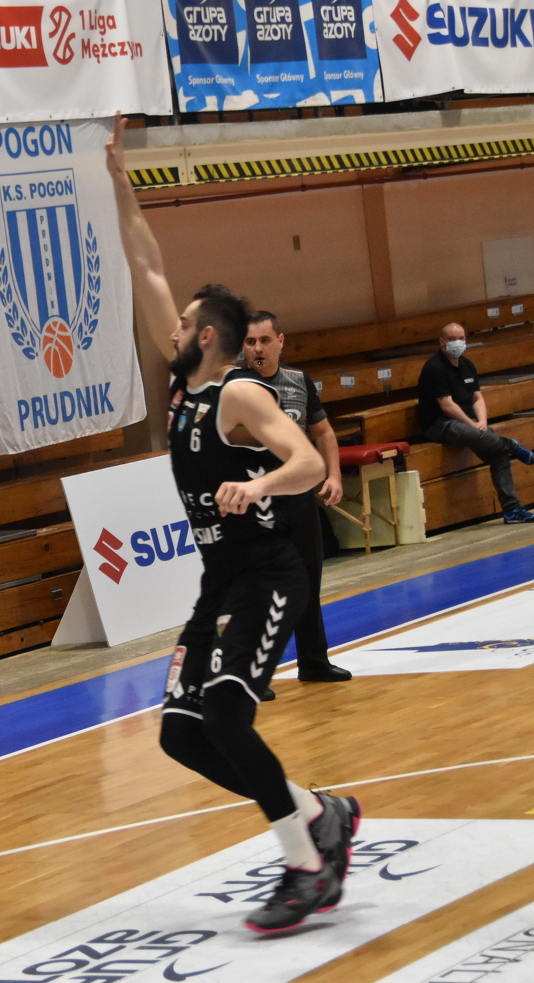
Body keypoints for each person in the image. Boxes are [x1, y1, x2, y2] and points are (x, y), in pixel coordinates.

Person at [106, 116, 360, 933]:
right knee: (182, 735)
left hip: (267, 573)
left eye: (182, 327)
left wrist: (260, 488)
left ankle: (306, 866)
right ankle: (317, 812)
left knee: (224, 714)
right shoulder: (184, 388)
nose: (171, 332)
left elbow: (309, 462)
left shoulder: (237, 394)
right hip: (218, 581)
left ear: (205, 337)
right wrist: (118, 180)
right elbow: (147, 265)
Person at [243, 312, 351, 696]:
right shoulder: (233, 387)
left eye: (264, 340)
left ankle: (314, 662)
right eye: (250, 342)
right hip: (255, 502)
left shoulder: (298, 381)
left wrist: (333, 476)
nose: (258, 348)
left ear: (280, 341)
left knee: (307, 581)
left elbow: (324, 432)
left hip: (298, 498)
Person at [418, 323, 534, 525]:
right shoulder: (434, 367)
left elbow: (477, 399)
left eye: (461, 338)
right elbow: (447, 405)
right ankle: (511, 445)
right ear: (442, 342)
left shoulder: (468, 365)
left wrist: (482, 421)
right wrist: (471, 424)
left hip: (469, 423)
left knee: (498, 452)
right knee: (479, 435)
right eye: (451, 339)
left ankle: (512, 509)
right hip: (441, 424)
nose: (457, 343)